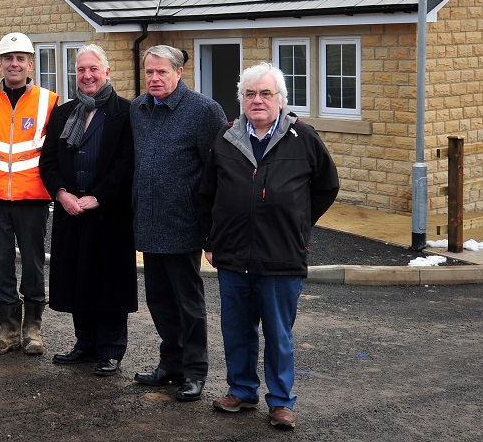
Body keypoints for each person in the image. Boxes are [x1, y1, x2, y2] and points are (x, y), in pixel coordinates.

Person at [199, 62, 339, 430]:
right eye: (249, 94)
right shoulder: (226, 137)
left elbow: (327, 186)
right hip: (232, 255)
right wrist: (210, 240)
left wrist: (298, 223)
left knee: (279, 334)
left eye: (265, 94)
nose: (257, 100)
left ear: (280, 100)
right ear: (241, 100)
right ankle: (242, 391)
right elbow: (208, 193)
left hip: (281, 256)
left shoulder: (303, 137)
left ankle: (280, 402)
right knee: (237, 329)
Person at [131, 44, 227, 401]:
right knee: (158, 300)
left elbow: (218, 172)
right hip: (150, 223)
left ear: (179, 72)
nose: (154, 79)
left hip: (185, 225)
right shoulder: (138, 110)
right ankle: (170, 364)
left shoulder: (204, 111)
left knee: (188, 303)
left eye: (162, 72)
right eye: (149, 73)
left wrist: (212, 232)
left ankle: (195, 371)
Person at [38, 44, 136, 377]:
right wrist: (61, 193)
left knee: (108, 280)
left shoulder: (125, 113)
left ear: (107, 72)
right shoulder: (64, 113)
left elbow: (127, 164)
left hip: (109, 213)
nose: (87, 75)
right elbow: (49, 161)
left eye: (93, 69)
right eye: (81, 70)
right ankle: (86, 343)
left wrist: (98, 197)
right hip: (71, 211)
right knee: (79, 277)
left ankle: (110, 349)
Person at [0, 31, 59, 356]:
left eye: (20, 58)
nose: (14, 64)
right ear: (0, 63)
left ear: (30, 63)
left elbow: (55, 151)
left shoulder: (48, 101)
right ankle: (8, 328)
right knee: (0, 263)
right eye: (8, 58)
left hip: (33, 198)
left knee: (33, 265)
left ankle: (32, 328)